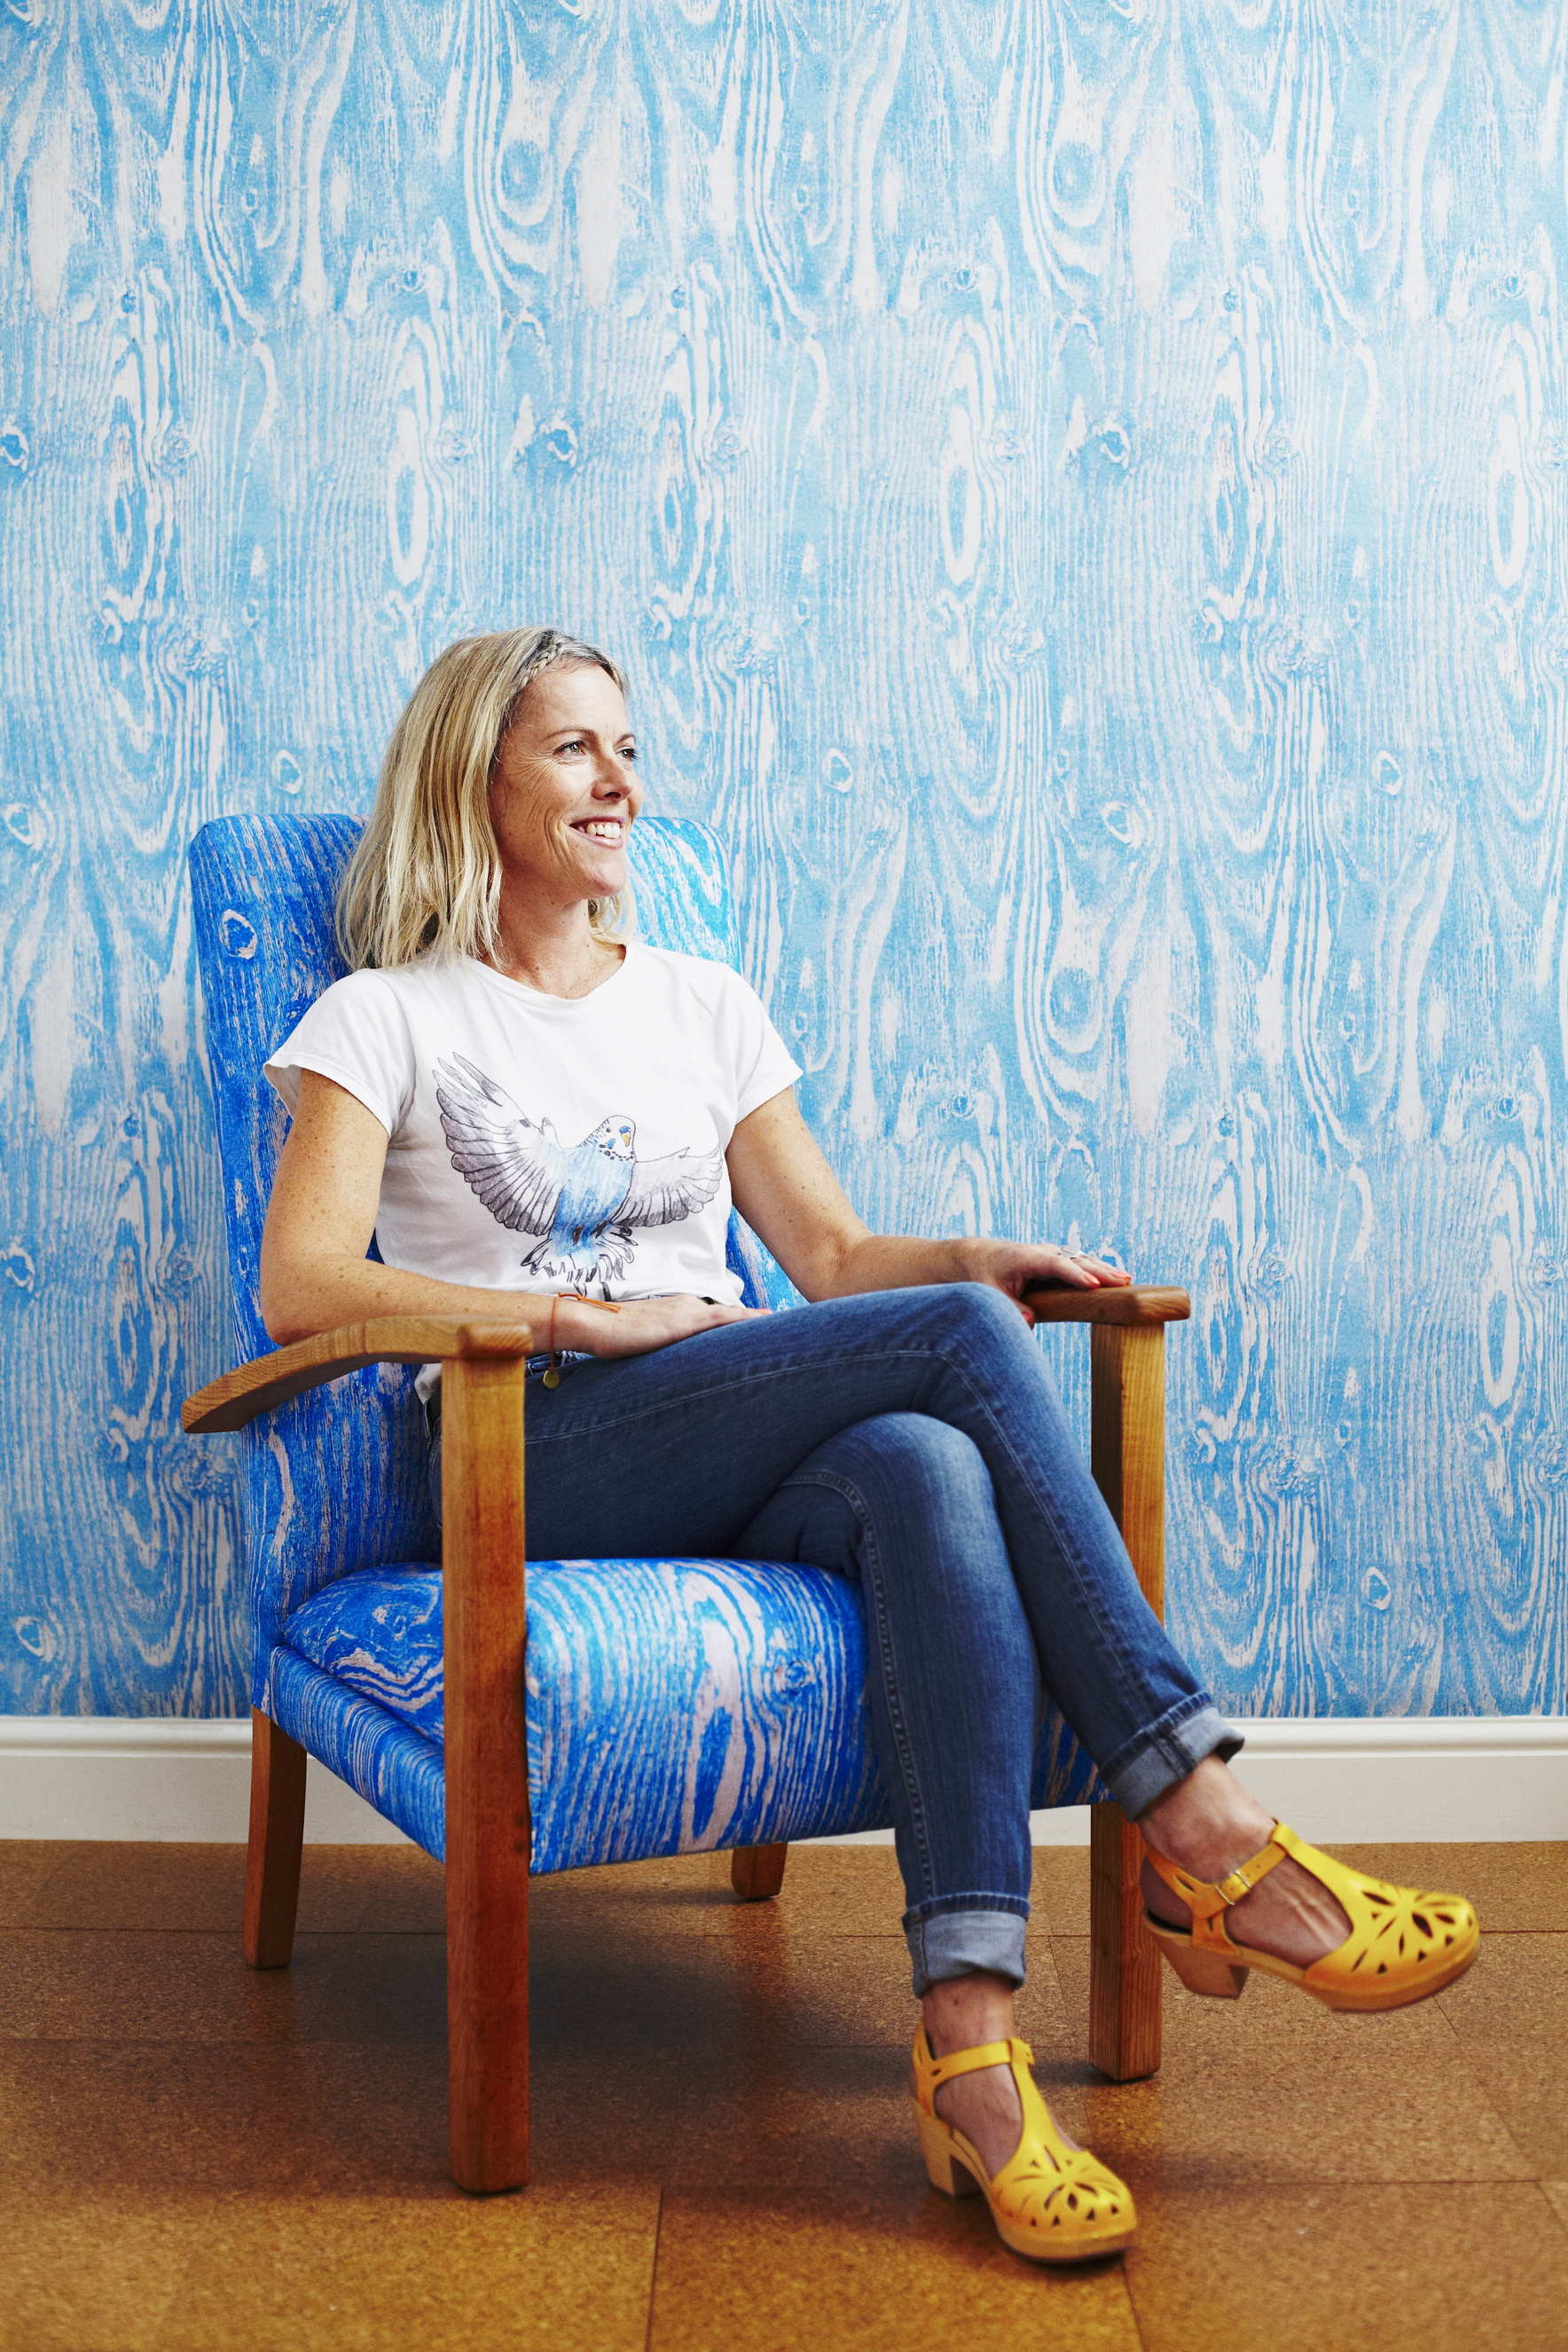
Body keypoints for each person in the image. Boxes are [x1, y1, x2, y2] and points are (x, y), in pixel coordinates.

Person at [258, 625, 1479, 2266]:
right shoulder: (384, 1016)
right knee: (953, 1356)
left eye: (628, 748)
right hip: (525, 1441)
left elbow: (830, 1259)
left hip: (721, 1412)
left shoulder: (699, 1004)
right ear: (472, 773)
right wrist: (574, 1320)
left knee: (927, 1465)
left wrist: (973, 1259)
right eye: (572, 749)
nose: (621, 784)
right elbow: (300, 1281)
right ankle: (1199, 1825)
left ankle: (971, 2052)